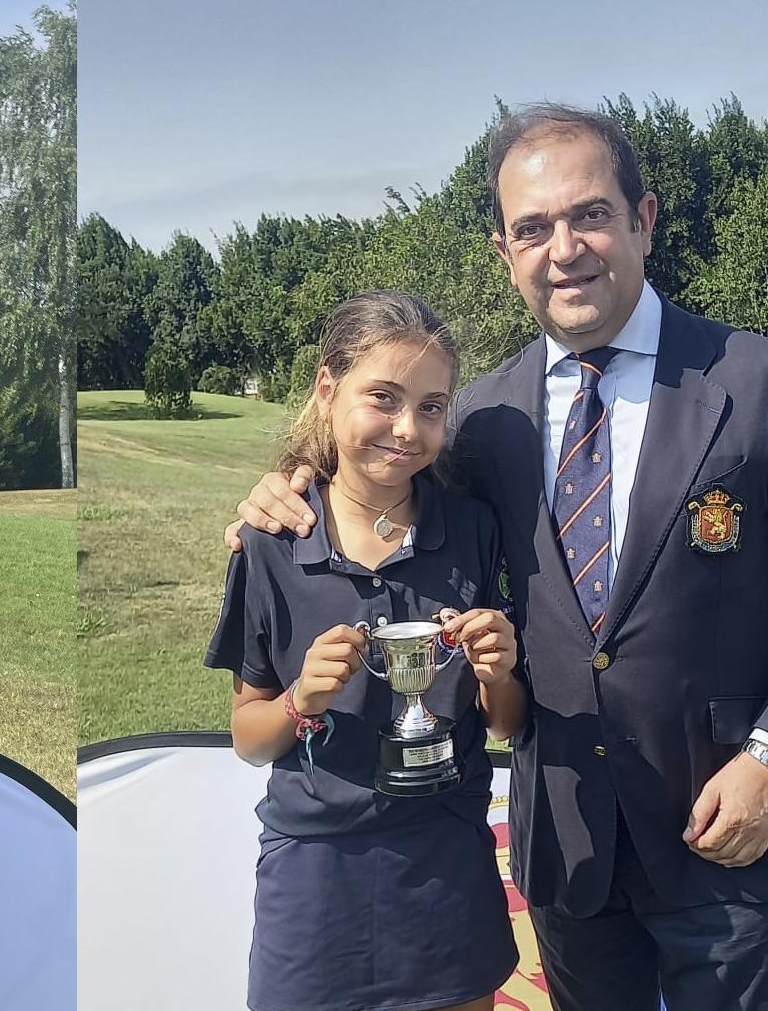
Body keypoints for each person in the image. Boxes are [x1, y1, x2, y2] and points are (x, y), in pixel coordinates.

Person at [231, 104, 768, 1010]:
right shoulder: (479, 419)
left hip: (723, 831)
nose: (564, 248)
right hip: (567, 841)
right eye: (533, 228)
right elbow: (382, 476)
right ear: (506, 254)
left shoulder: (758, 381)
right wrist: (289, 485)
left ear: (643, 219)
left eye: (589, 215)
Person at [210, 291, 523, 1011]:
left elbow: (506, 722)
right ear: (327, 388)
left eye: (432, 406)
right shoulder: (269, 541)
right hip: (314, 881)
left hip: (446, 870)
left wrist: (497, 671)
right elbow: (249, 738)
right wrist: (300, 699)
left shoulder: (475, 531)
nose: (406, 428)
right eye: (381, 397)